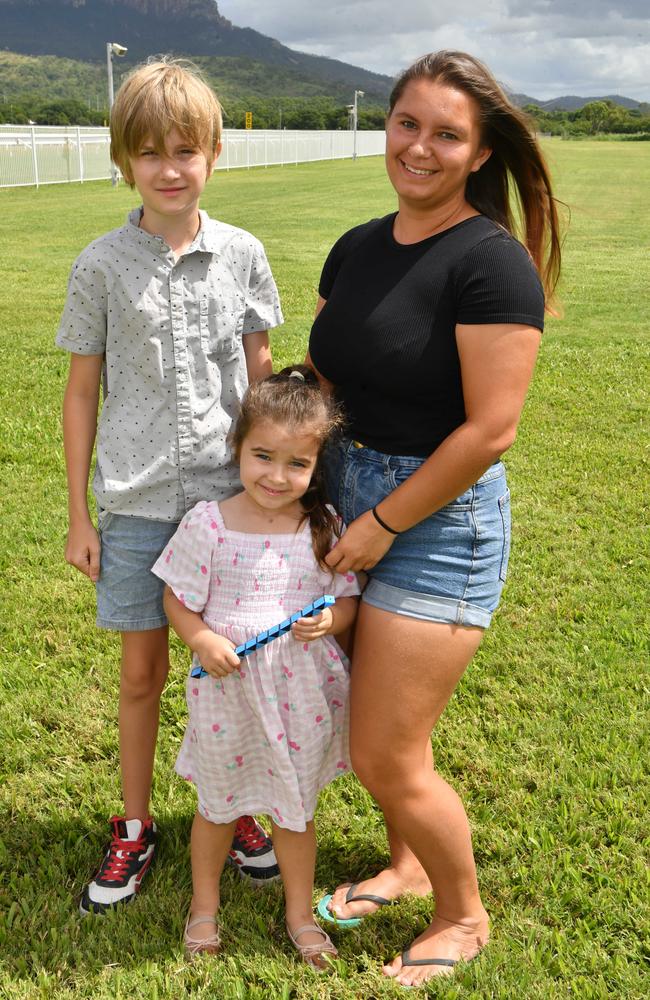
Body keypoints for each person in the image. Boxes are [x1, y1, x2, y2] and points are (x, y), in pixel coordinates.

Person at [307, 50, 562, 985]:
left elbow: (491, 429)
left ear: (481, 151)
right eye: (407, 123)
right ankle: (407, 867)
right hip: (341, 493)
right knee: (376, 723)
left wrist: (380, 525)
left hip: (438, 522)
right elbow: (332, 373)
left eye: (446, 133)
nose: (420, 147)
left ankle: (462, 915)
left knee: (385, 747)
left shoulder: (492, 267)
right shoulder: (359, 244)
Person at [56, 59, 284, 916]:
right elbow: (83, 391)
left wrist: (281, 499)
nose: (169, 167)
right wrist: (81, 511)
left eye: (185, 149)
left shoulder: (244, 255)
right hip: (139, 504)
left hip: (232, 507)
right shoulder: (101, 265)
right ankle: (136, 823)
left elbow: (263, 384)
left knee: (234, 668)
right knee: (145, 674)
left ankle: (240, 809)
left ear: (215, 153)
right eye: (148, 152)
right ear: (124, 161)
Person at [151, 367, 360, 965]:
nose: (276, 475)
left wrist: (332, 622)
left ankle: (299, 915)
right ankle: (204, 908)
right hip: (229, 692)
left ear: (317, 466)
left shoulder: (321, 527)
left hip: (299, 693)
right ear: (237, 448)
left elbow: (345, 597)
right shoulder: (209, 524)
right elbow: (177, 597)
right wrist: (198, 638)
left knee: (295, 810)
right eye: (262, 456)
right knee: (217, 806)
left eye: (296, 464)